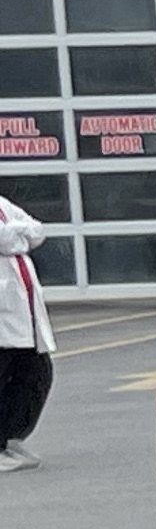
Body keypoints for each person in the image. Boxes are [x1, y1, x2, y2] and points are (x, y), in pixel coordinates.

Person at [0, 189, 47, 468]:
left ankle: (12, 433)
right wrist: (19, 233)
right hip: (5, 314)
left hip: (23, 310)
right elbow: (5, 240)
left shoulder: (2, 203)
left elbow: (38, 231)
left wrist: (16, 231)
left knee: (38, 371)